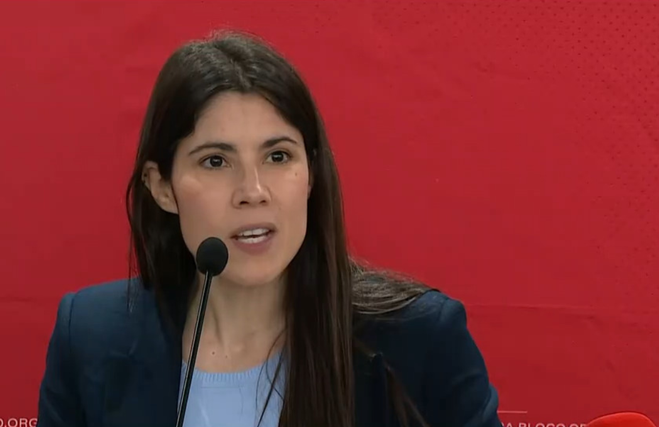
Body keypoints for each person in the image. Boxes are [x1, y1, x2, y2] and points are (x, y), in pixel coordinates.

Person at [36, 30, 501, 427]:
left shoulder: (420, 340)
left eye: (278, 156)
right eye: (215, 161)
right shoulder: (91, 336)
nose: (253, 191)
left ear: (311, 174)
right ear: (162, 187)